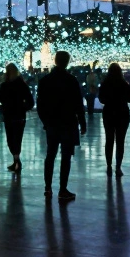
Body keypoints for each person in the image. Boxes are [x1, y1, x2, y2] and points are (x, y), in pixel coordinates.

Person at [37, 51, 86, 202]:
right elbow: (78, 104)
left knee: (50, 155)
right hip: (68, 123)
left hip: (52, 123)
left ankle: (47, 187)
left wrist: (46, 121)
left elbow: (40, 104)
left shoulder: (45, 80)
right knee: (66, 157)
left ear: (55, 60)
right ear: (67, 62)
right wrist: (82, 123)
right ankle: (62, 189)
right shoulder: (71, 80)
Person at [97, 63, 130, 176]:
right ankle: (118, 167)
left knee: (109, 140)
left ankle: (109, 165)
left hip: (109, 113)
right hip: (122, 114)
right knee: (120, 141)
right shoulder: (124, 84)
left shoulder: (105, 84)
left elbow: (101, 99)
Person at [0, 63, 33, 173]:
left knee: (11, 138)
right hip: (19, 115)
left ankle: (16, 159)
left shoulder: (5, 85)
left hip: (9, 114)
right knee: (17, 138)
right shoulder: (21, 84)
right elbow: (30, 101)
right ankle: (17, 159)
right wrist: (23, 108)